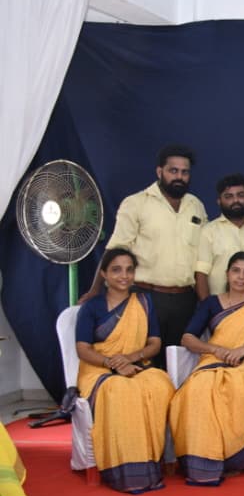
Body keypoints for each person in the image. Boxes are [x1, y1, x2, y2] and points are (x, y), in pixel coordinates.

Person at [169, 252, 244, 486]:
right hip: (211, 361)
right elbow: (188, 338)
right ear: (227, 274)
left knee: (236, 390)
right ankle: (200, 458)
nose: (241, 277)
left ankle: (230, 457)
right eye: (236, 271)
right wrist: (215, 350)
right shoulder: (211, 303)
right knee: (197, 389)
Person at [95, 144, 207, 363]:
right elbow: (116, 250)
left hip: (185, 300)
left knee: (179, 364)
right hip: (147, 297)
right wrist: (94, 290)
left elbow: (203, 254)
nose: (179, 177)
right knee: (144, 361)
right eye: (173, 171)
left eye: (184, 172)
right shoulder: (136, 203)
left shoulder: (196, 206)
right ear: (159, 171)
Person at [74, 247, 175, 493]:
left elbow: (154, 344)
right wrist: (113, 363)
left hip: (136, 366)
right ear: (104, 274)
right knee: (120, 391)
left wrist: (129, 359)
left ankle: (151, 461)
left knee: (160, 384)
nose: (124, 276)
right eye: (116, 270)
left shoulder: (143, 302)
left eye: (129, 270)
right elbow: (83, 349)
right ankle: (125, 469)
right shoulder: (92, 307)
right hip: (98, 370)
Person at [195, 174, 244, 300]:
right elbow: (201, 275)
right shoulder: (208, 231)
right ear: (219, 201)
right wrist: (208, 308)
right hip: (219, 307)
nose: (235, 200)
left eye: (241, 195)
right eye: (229, 197)